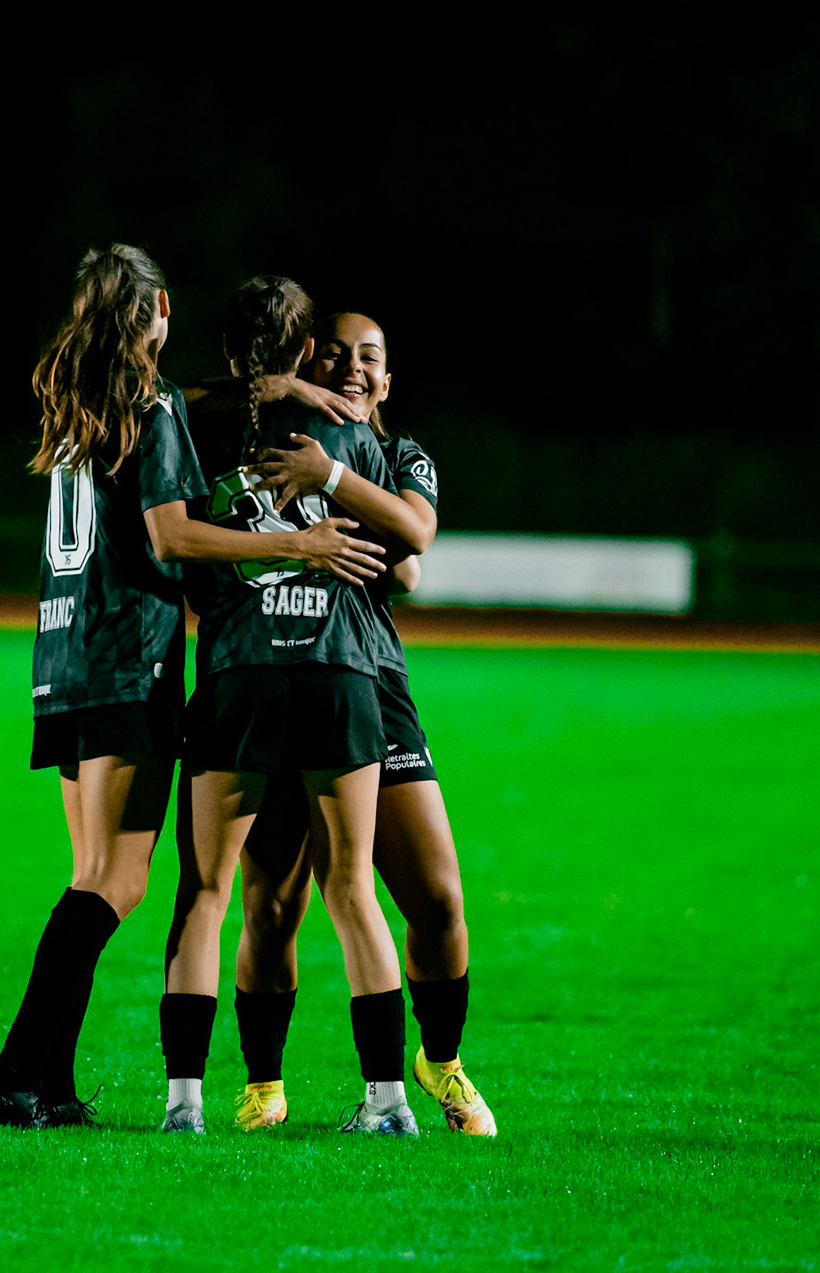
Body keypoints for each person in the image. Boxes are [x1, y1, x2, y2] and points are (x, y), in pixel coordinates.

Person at [0, 247, 386, 1129]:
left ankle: (41, 1079)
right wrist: (299, 546)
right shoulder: (148, 404)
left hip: (63, 658)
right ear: (160, 304)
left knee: (93, 876)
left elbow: (191, 409)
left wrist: (283, 392)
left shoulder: (84, 401)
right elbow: (170, 538)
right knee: (112, 885)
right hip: (129, 663)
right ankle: (16, 1072)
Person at [159, 277, 418, 1137]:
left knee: (209, 891)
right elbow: (402, 559)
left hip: (238, 666)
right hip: (342, 671)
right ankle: (389, 1103)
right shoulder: (350, 432)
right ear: (309, 350)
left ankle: (185, 1104)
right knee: (352, 890)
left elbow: (182, 548)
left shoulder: (188, 421)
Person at [231, 312, 497, 1136]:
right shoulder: (270, 433)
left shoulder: (398, 453)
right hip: (276, 673)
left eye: (369, 358)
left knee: (438, 900)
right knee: (273, 904)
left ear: (387, 382)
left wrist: (330, 476)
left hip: (370, 683)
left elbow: (414, 541)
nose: (351, 367)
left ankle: (440, 1061)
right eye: (334, 354)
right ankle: (263, 1086)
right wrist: (272, 396)